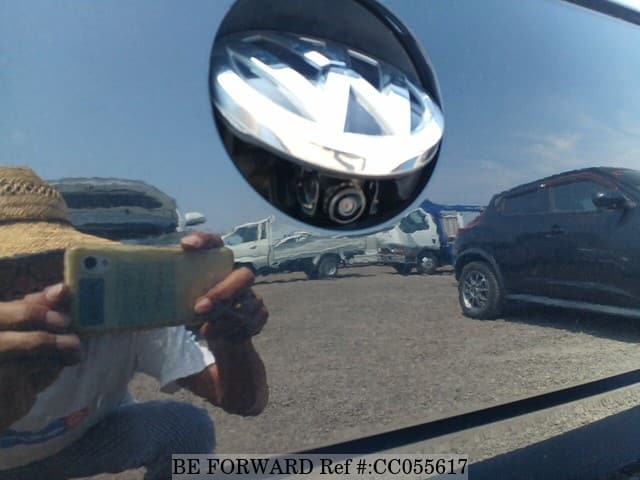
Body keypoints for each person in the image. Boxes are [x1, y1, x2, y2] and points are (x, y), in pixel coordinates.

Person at [0, 167, 269, 480]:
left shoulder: (119, 309)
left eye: (41, 260)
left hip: (79, 445)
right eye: (5, 268)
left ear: (65, 260)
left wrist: (232, 342)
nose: (25, 284)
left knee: (186, 427)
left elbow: (243, 402)